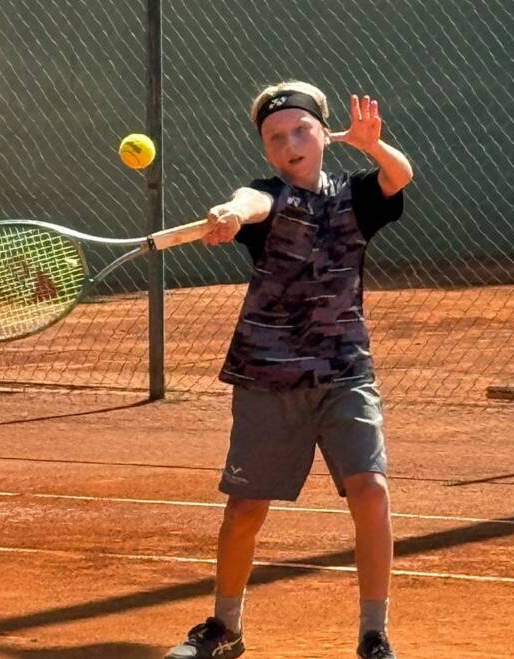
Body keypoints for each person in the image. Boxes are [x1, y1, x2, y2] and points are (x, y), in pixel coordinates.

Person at [165, 81, 413, 659]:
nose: (290, 143)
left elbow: (399, 177)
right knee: (246, 508)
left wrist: (374, 146)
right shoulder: (263, 195)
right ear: (267, 152)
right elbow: (252, 203)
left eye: (301, 130)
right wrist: (230, 212)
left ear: (324, 134)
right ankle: (225, 628)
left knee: (370, 491)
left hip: (345, 370)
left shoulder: (356, 197)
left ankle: (374, 635)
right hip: (269, 374)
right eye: (276, 138)